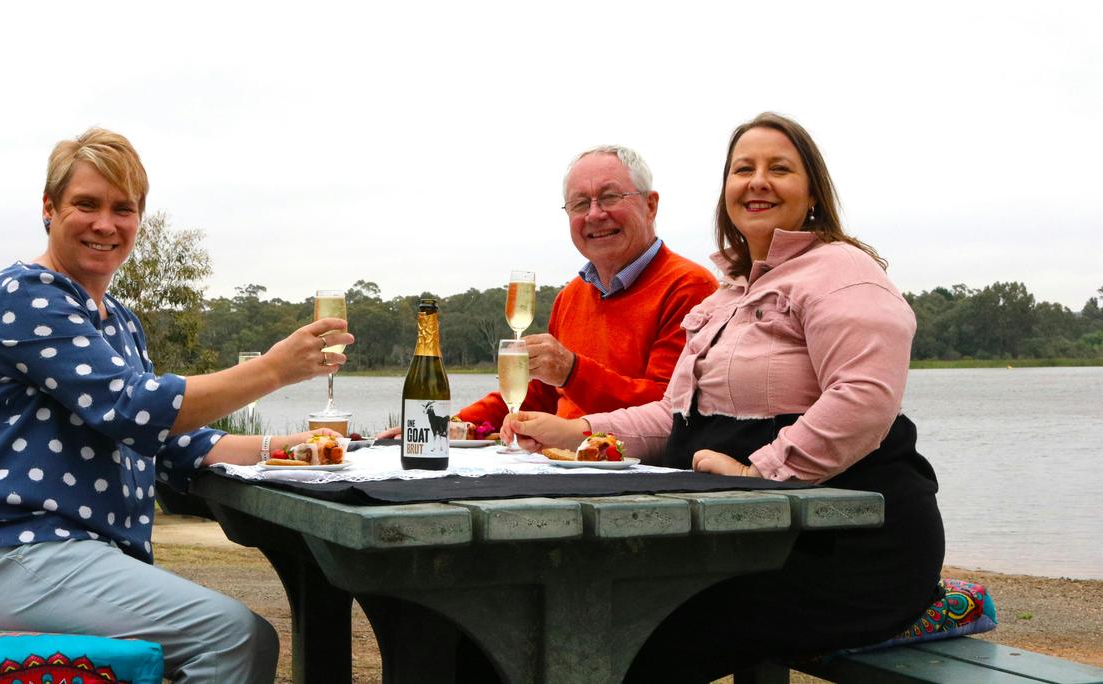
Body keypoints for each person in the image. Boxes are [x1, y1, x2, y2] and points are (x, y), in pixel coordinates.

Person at [505, 113, 945, 679]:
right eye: (744, 169)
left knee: (616, 637)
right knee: (562, 618)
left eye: (778, 169)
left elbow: (864, 399)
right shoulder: (731, 292)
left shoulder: (843, 272)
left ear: (811, 190)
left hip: (845, 545)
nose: (757, 181)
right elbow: (676, 414)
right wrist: (583, 431)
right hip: (749, 536)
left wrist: (758, 474)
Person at [0, 128, 355, 684]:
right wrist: (272, 369)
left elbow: (175, 441)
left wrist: (298, 447)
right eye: (86, 204)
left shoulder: (117, 320)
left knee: (233, 637)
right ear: (49, 209)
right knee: (233, 638)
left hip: (58, 560)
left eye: (123, 209)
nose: (106, 224)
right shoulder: (23, 296)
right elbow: (133, 408)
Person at [380, 145, 718, 438]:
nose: (595, 214)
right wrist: (445, 425)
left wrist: (573, 371)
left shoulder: (689, 286)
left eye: (610, 197)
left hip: (630, 478)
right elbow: (537, 393)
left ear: (650, 205)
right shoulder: (571, 295)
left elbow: (667, 411)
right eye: (580, 203)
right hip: (560, 466)